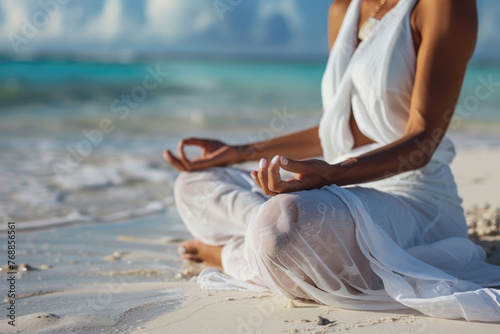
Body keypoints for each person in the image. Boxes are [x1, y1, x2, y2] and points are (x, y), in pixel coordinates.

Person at [165, 0, 500, 321]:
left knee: (284, 220)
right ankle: (270, 244)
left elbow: (423, 140)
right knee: (193, 184)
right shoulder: (342, 10)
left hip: (412, 200)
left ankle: (228, 254)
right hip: (336, 192)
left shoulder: (442, 4)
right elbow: (334, 130)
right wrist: (240, 152)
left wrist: (334, 174)